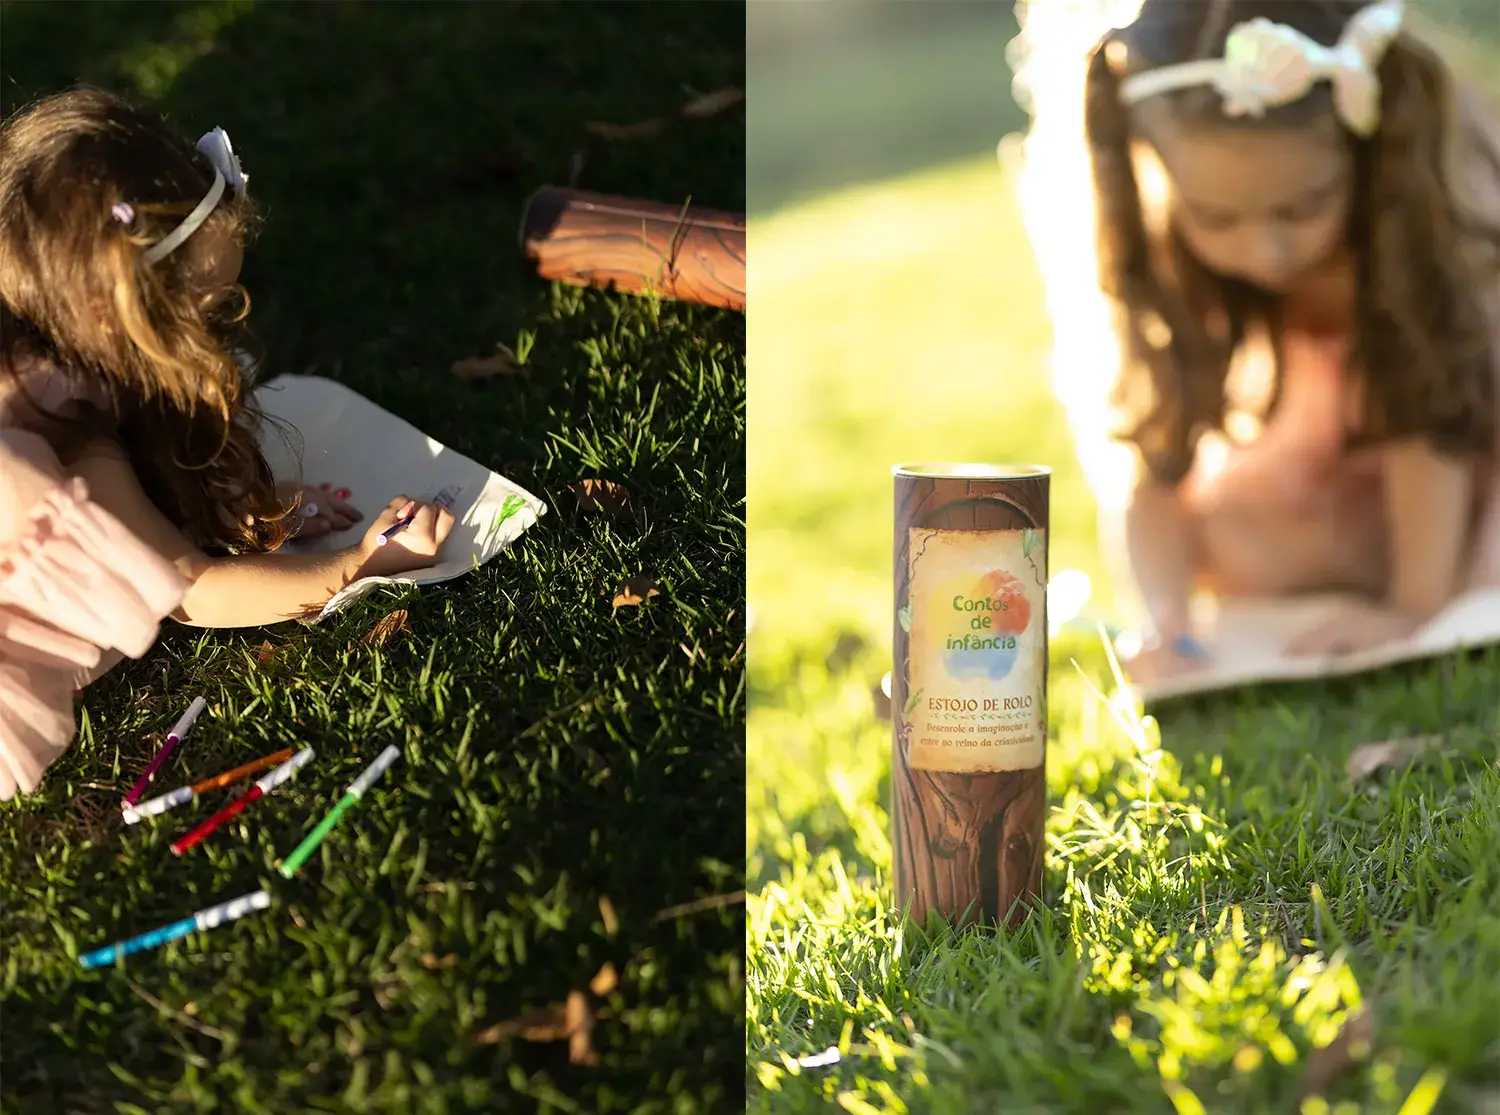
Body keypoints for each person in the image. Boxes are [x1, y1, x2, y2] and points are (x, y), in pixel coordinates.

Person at [1013, 0, 1500, 682]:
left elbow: (1430, 420)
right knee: (1255, 543)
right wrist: (1167, 617)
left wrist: (1414, 608)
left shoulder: (1415, 237)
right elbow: (1152, 457)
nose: (1267, 250)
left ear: (1366, 149)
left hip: (1463, 471)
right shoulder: (1162, 262)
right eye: (1216, 217)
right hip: (1326, 484)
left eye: (1302, 207)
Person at [0, 88, 454, 799]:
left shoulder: (47, 334)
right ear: (115, 316)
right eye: (208, 314)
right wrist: (361, 564)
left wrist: (246, 505)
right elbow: (194, 590)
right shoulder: (62, 434)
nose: (223, 338)